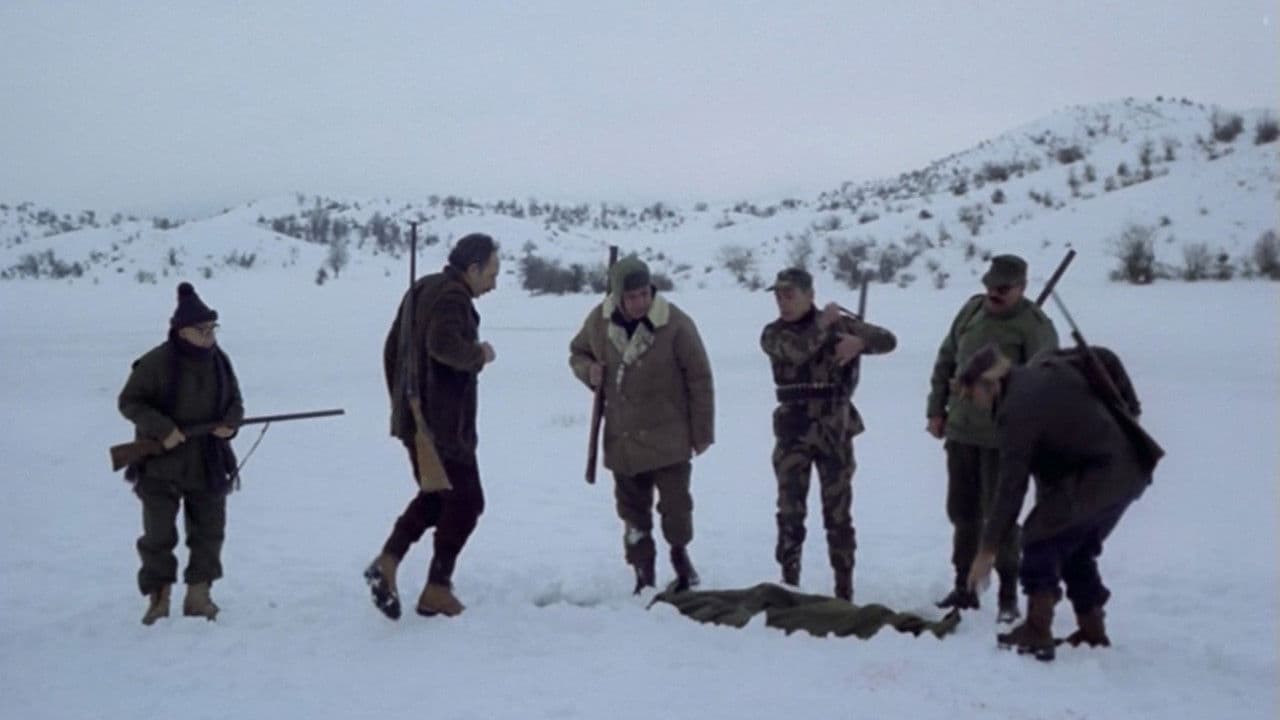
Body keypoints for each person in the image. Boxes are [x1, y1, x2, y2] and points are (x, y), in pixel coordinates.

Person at [960, 343, 1152, 661]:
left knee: (1039, 537)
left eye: (971, 395)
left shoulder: (1015, 408)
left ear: (988, 383)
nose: (973, 404)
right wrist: (1131, 409)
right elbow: (1102, 357)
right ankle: (1092, 631)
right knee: (1076, 549)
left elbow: (1011, 488)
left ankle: (1037, 630)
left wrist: (987, 550)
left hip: (1100, 476)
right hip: (1129, 469)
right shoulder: (1043, 368)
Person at [364, 233, 500, 619]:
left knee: (439, 496)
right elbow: (443, 346)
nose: (494, 284)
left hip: (418, 419)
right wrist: (478, 354)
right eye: (492, 274)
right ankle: (437, 587)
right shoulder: (453, 298)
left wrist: (405, 406)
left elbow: (392, 349)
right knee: (467, 502)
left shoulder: (423, 288)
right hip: (443, 426)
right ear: (472, 268)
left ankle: (389, 562)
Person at [569, 255, 715, 594]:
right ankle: (643, 573)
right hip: (624, 438)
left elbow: (700, 378)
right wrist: (588, 371)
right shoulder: (599, 321)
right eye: (631, 296)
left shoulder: (676, 324)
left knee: (676, 509)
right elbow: (577, 352)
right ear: (618, 296)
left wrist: (702, 432)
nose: (639, 302)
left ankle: (680, 559)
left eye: (644, 294)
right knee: (632, 514)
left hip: (670, 437)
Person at [926, 254, 1058, 622]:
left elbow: (1044, 384)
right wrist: (936, 409)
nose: (993, 294)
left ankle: (1007, 595)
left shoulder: (1035, 327)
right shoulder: (971, 311)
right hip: (962, 432)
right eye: (989, 286)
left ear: (1021, 288)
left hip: (1003, 441)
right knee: (962, 512)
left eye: (1003, 288)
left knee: (1001, 517)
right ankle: (964, 587)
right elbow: (946, 359)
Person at [760, 268, 897, 602]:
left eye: (790, 295)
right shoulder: (774, 333)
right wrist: (824, 324)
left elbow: (888, 340)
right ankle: (789, 583)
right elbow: (798, 351)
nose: (783, 302)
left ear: (810, 295)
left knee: (838, 516)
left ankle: (844, 588)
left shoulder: (840, 325)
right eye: (778, 295)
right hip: (793, 433)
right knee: (790, 513)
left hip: (834, 431)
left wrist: (860, 342)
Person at [118, 282, 244, 625]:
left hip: (208, 462)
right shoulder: (155, 362)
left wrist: (230, 424)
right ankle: (158, 598)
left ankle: (199, 596)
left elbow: (235, 401)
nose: (209, 336)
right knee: (158, 536)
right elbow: (129, 402)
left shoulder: (220, 361)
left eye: (212, 328)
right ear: (181, 331)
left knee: (209, 533)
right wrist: (163, 430)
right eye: (202, 330)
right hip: (161, 464)